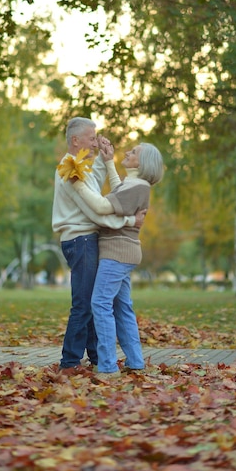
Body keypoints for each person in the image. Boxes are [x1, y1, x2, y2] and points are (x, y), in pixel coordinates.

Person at [52, 117, 146, 372]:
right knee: (84, 304)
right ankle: (69, 362)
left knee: (93, 302)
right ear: (76, 140)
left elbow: (96, 187)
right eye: (91, 138)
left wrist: (108, 160)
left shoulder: (82, 165)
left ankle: (95, 357)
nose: (95, 142)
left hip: (87, 238)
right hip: (80, 239)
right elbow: (96, 211)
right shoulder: (69, 169)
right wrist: (129, 220)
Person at [69, 140, 164, 377]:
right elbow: (118, 191)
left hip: (117, 253)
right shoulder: (135, 186)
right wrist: (110, 161)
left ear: (144, 163)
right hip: (123, 251)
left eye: (134, 152)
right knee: (122, 308)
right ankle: (135, 361)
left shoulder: (138, 188)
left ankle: (108, 365)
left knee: (100, 304)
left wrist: (78, 185)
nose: (128, 152)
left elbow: (103, 207)